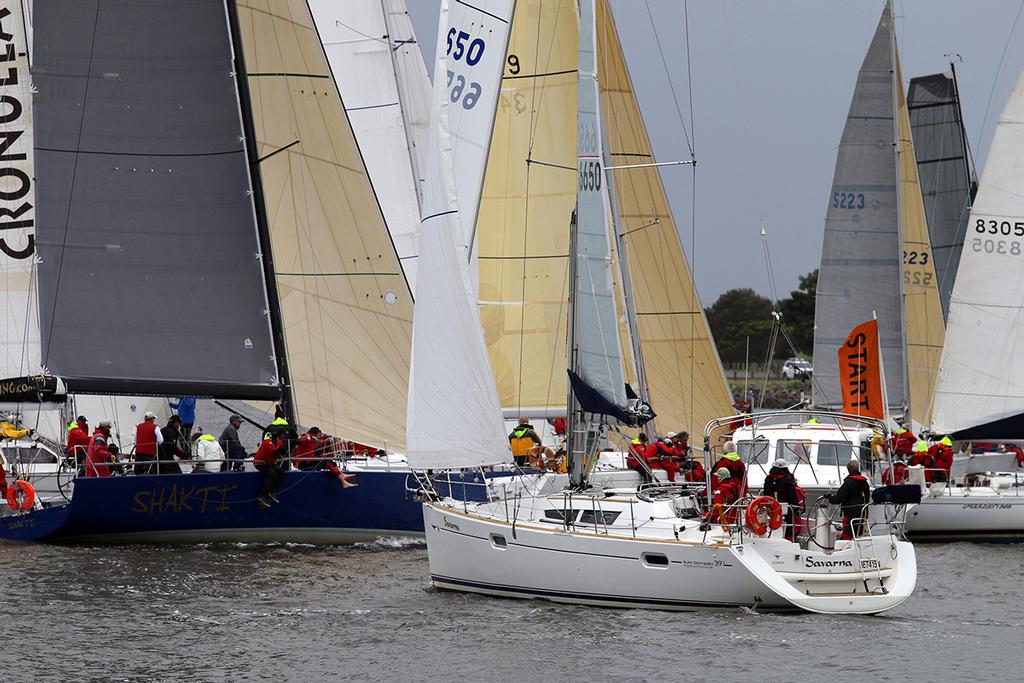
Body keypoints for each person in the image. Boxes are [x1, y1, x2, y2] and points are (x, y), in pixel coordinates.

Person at [293, 428, 358, 488]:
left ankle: (342, 477)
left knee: (331, 462)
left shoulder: (313, 439)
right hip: (305, 462)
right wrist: (310, 437)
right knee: (328, 462)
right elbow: (301, 441)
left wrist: (329, 440)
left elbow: (321, 441)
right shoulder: (307, 437)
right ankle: (343, 481)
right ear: (314, 434)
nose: (320, 436)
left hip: (310, 461)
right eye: (319, 435)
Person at [825, 460, 871, 540]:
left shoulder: (849, 482)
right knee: (858, 535)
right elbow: (867, 499)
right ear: (858, 469)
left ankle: (844, 549)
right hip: (863, 514)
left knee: (847, 536)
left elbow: (838, 498)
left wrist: (829, 497)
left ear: (848, 470)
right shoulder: (865, 483)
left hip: (850, 514)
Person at [762, 458, 801, 541]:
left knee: (772, 522)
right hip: (786, 508)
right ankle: (788, 539)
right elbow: (792, 495)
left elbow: (765, 494)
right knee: (789, 524)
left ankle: (769, 537)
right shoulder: (788, 478)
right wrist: (796, 508)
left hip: (771, 507)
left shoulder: (768, 478)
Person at [254, 435, 287, 508]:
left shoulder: (275, 443)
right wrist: (279, 446)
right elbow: (273, 452)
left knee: (281, 472)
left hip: (269, 462)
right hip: (260, 463)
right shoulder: (267, 442)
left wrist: (280, 448)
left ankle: (272, 491)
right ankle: (262, 495)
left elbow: (278, 453)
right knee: (272, 475)